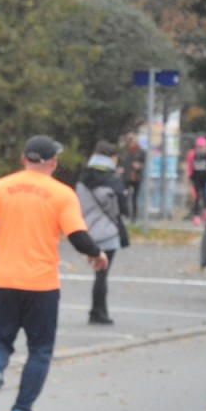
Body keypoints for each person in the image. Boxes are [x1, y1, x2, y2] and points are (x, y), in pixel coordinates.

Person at [0, 135, 108, 411]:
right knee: (40, 349)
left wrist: (3, 236)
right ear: (53, 163)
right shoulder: (62, 194)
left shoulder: (0, 187)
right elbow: (77, 235)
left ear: (24, 159)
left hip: (2, 280)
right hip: (41, 285)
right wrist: (96, 254)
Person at [75, 140, 129, 326]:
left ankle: (98, 311)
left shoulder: (82, 177)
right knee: (102, 274)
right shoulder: (112, 180)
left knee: (99, 273)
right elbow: (120, 207)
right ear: (111, 158)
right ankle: (98, 312)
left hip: (86, 229)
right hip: (107, 231)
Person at [184, 136, 206, 223]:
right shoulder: (192, 154)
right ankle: (196, 215)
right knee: (196, 197)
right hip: (196, 178)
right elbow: (189, 166)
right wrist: (189, 177)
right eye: (199, 147)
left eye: (202, 147)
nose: (200, 149)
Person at [116, 133, 146, 221]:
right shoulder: (123, 150)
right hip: (126, 177)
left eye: (132, 138)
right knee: (124, 195)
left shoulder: (141, 151)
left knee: (134, 197)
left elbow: (144, 163)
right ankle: (125, 214)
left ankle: (134, 216)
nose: (130, 140)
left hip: (136, 177)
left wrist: (140, 165)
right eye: (128, 138)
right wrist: (119, 168)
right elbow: (118, 162)